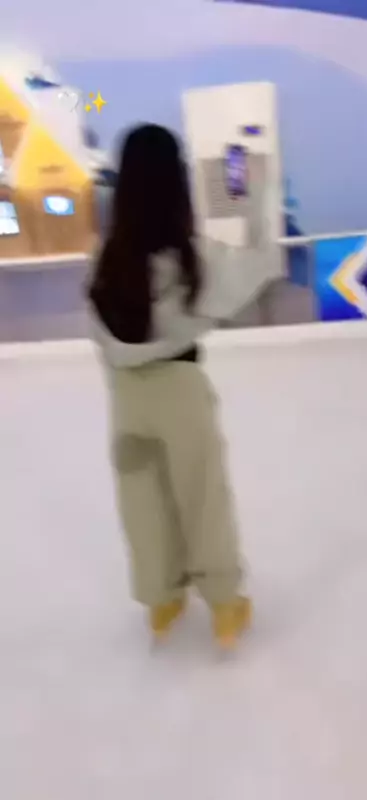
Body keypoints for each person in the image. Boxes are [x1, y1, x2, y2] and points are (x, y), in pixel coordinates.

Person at [88, 124, 276, 649]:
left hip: (126, 397)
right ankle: (224, 603)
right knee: (202, 496)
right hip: (180, 388)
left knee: (141, 499)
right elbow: (256, 265)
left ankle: (161, 598)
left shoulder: (106, 261)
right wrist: (256, 197)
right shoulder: (192, 260)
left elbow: (101, 336)